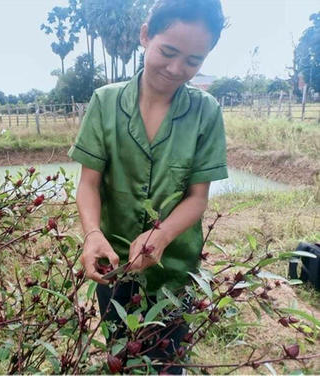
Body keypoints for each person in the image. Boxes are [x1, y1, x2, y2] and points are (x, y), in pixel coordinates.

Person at [68, 0, 228, 373]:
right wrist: (92, 233)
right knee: (121, 359)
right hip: (114, 265)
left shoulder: (206, 113)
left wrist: (162, 235)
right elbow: (88, 184)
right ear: (145, 35)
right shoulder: (104, 103)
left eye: (193, 60)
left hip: (174, 272)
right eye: (168, 52)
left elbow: (197, 197)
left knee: (169, 362)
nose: (176, 69)